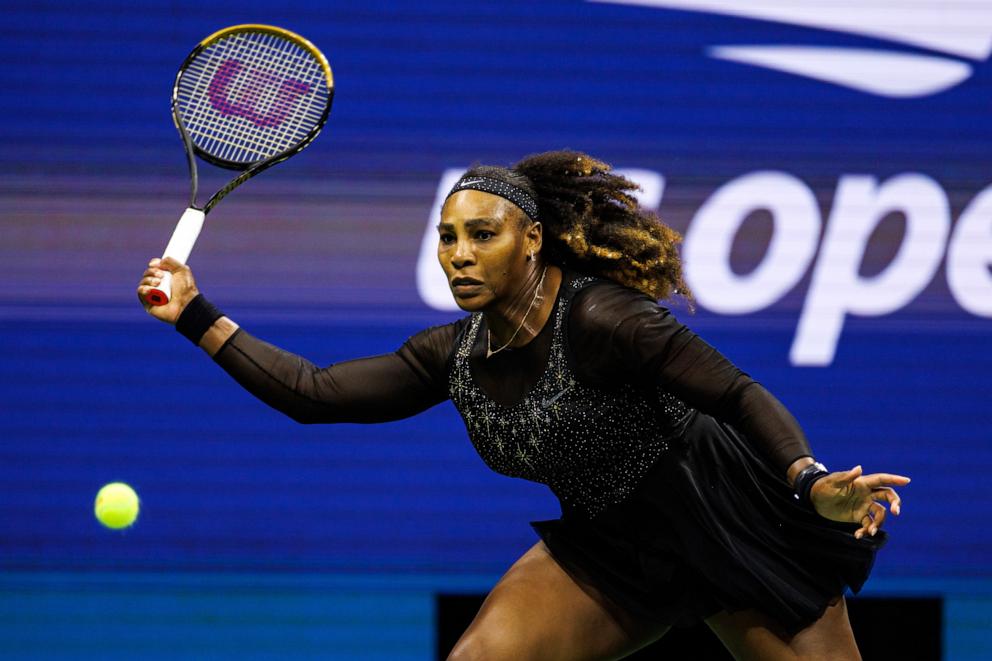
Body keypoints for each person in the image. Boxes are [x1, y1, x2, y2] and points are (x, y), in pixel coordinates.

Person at [138, 150, 910, 660]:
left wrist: (809, 481)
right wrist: (196, 312)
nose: (459, 253)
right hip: (608, 548)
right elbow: (314, 393)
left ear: (533, 239)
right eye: (446, 237)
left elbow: (738, 393)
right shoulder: (454, 354)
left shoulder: (606, 319)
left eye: (482, 234)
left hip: (729, 523)